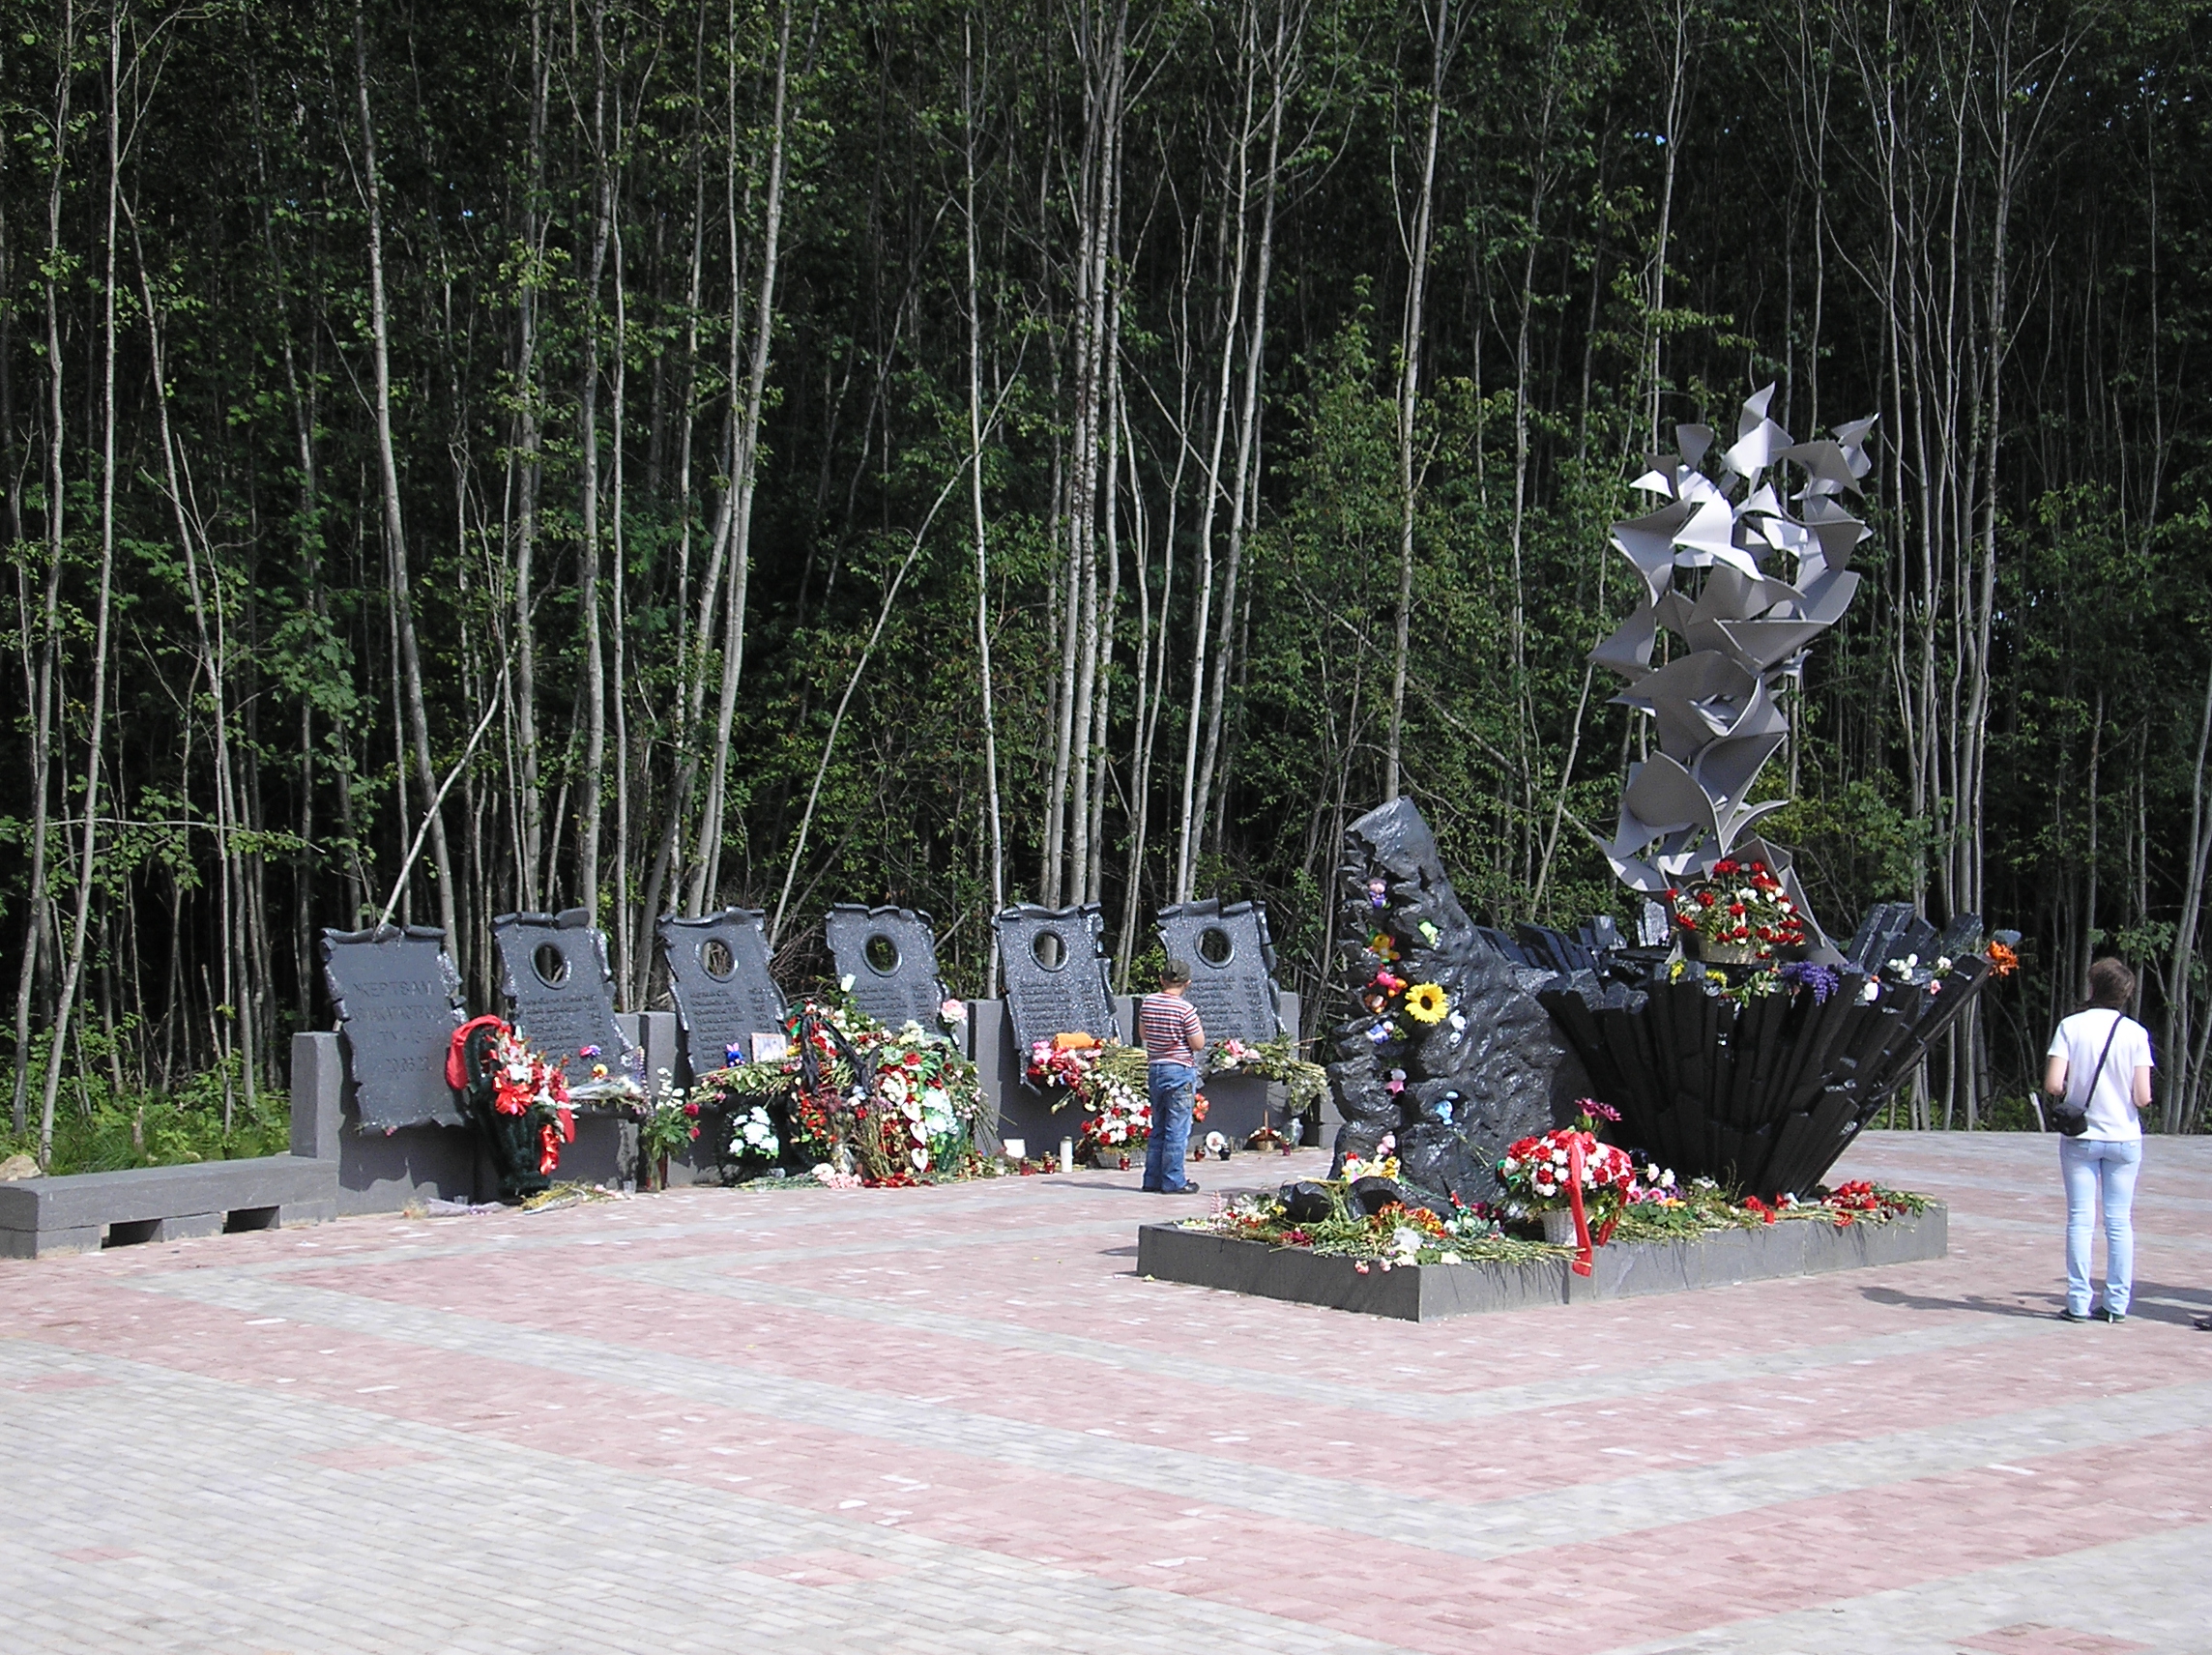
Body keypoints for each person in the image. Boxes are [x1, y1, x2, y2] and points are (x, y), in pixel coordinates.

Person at [2044, 956, 2156, 1324]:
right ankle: (2116, 1303)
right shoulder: (2136, 1033)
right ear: (2126, 994)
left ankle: (2077, 1301)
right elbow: (2143, 1097)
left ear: (2093, 987)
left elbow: (2053, 1084)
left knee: (2080, 1219)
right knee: (2119, 1222)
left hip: (2082, 1136)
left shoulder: (2070, 1027)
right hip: (2125, 1137)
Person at [1139, 959, 1207, 1195]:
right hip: (1179, 1071)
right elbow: (1198, 1044)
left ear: (1161, 980)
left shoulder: (1148, 1002)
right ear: (1187, 983)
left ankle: (1152, 1179)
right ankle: (1173, 1180)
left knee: (1158, 1125)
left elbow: (1143, 1033)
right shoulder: (1185, 1010)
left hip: (1156, 1068)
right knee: (1177, 1128)